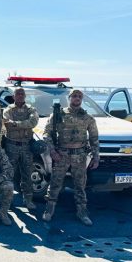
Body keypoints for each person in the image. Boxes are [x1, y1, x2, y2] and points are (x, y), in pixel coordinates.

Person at [42, 89, 99, 225]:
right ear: (69, 98)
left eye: (79, 96)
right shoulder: (58, 115)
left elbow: (94, 138)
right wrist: (52, 151)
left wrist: (96, 156)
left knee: (80, 185)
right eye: (74, 96)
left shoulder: (88, 118)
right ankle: (49, 210)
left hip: (80, 156)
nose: (77, 98)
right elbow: (47, 133)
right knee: (55, 183)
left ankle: (82, 212)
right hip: (61, 155)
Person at [2, 87, 39, 209]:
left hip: (26, 146)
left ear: (25, 96)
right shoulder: (8, 109)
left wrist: (15, 124)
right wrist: (24, 124)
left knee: (27, 175)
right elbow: (6, 123)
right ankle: (8, 200)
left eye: (22, 93)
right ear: (13, 96)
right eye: (17, 93)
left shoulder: (31, 109)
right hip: (11, 146)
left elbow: (33, 122)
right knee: (9, 174)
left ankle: (28, 200)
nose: (20, 95)